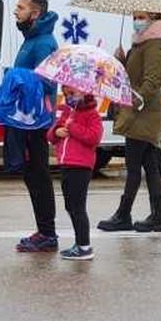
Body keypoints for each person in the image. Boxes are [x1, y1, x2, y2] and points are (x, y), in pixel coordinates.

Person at [99, 10, 161, 233]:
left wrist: (134, 102)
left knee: (133, 166)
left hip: (144, 112)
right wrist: (122, 60)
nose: (137, 21)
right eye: (135, 17)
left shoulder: (154, 46)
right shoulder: (142, 44)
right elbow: (134, 75)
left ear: (154, 20)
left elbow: (152, 81)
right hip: (139, 109)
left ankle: (124, 215)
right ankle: (158, 217)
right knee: (150, 166)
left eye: (142, 17)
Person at [7, 0, 61, 253]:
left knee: (38, 175)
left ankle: (48, 233)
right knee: (32, 175)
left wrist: (16, 77)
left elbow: (48, 81)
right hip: (25, 117)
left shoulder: (43, 43)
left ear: (35, 13)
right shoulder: (31, 39)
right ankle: (43, 230)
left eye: (21, 7)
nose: (15, 11)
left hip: (36, 119)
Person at [48, 87, 103, 261]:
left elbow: (94, 137)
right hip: (66, 163)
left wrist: (73, 126)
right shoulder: (67, 111)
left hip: (81, 165)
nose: (69, 98)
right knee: (70, 205)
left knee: (78, 207)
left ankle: (84, 246)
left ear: (84, 93)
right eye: (66, 95)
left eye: (72, 94)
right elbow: (51, 134)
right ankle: (79, 243)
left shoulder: (92, 114)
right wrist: (56, 132)